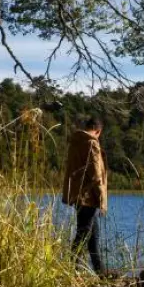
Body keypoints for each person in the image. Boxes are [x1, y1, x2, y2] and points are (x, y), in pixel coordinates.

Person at [61, 116, 108, 275]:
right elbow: (96, 175)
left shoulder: (75, 143)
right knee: (83, 235)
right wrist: (101, 199)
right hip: (89, 196)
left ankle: (101, 272)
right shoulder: (92, 143)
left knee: (92, 236)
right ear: (98, 131)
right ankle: (71, 270)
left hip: (77, 194)